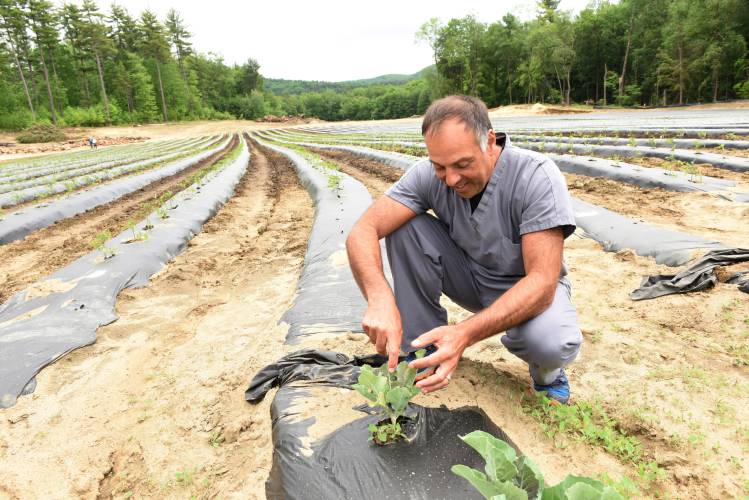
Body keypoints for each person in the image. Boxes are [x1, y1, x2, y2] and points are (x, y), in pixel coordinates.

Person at [345, 95, 582, 404]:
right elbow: (363, 230)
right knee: (404, 226)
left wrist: (464, 334)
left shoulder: (535, 177)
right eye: (440, 166)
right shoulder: (428, 175)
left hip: (528, 291)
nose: (452, 179)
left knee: (551, 342)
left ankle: (548, 377)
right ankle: (423, 351)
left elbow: (542, 283)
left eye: (462, 164)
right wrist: (379, 297)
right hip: (470, 277)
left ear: (490, 142)